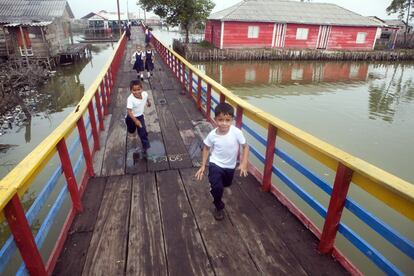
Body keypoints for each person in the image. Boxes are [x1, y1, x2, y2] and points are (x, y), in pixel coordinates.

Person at [195, 103, 249, 220]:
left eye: (227, 120)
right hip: (215, 164)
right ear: (215, 120)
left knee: (226, 184)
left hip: (230, 166)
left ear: (232, 120)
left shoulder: (236, 133)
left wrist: (244, 163)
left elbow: (245, 147)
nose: (224, 123)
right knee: (217, 188)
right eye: (220, 120)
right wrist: (203, 165)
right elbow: (206, 147)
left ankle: (218, 187)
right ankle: (219, 206)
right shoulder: (212, 135)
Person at [125, 79, 151, 156]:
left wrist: (148, 102)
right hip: (131, 118)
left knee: (142, 132)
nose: (136, 92)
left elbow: (147, 98)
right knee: (131, 131)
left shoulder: (145, 94)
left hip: (140, 116)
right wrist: (135, 120)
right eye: (134, 90)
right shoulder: (130, 99)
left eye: (138, 89)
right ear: (131, 90)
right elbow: (129, 112)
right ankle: (132, 130)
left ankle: (145, 147)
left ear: (141, 89)